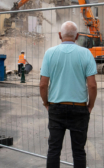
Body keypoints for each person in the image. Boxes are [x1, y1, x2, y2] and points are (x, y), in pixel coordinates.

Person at [40, 21, 98, 168]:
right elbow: (92, 85)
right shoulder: (86, 53)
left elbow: (43, 84)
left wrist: (46, 103)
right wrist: (90, 106)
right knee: (79, 151)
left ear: (60, 35)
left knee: (54, 149)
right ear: (77, 36)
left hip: (56, 107)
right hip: (79, 108)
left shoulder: (50, 53)